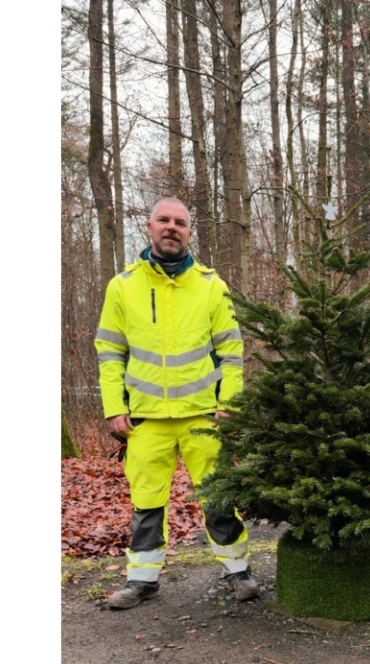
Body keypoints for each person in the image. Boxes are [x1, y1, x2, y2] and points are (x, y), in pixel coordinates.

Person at [95, 197, 260, 609]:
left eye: (180, 222)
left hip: (204, 415)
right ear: (149, 227)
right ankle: (142, 581)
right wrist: (114, 406)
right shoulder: (123, 286)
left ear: (190, 232)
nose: (172, 227)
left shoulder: (210, 285)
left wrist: (229, 405)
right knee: (147, 501)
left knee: (218, 497)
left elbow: (232, 352)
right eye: (164, 220)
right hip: (145, 419)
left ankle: (238, 572)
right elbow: (110, 353)